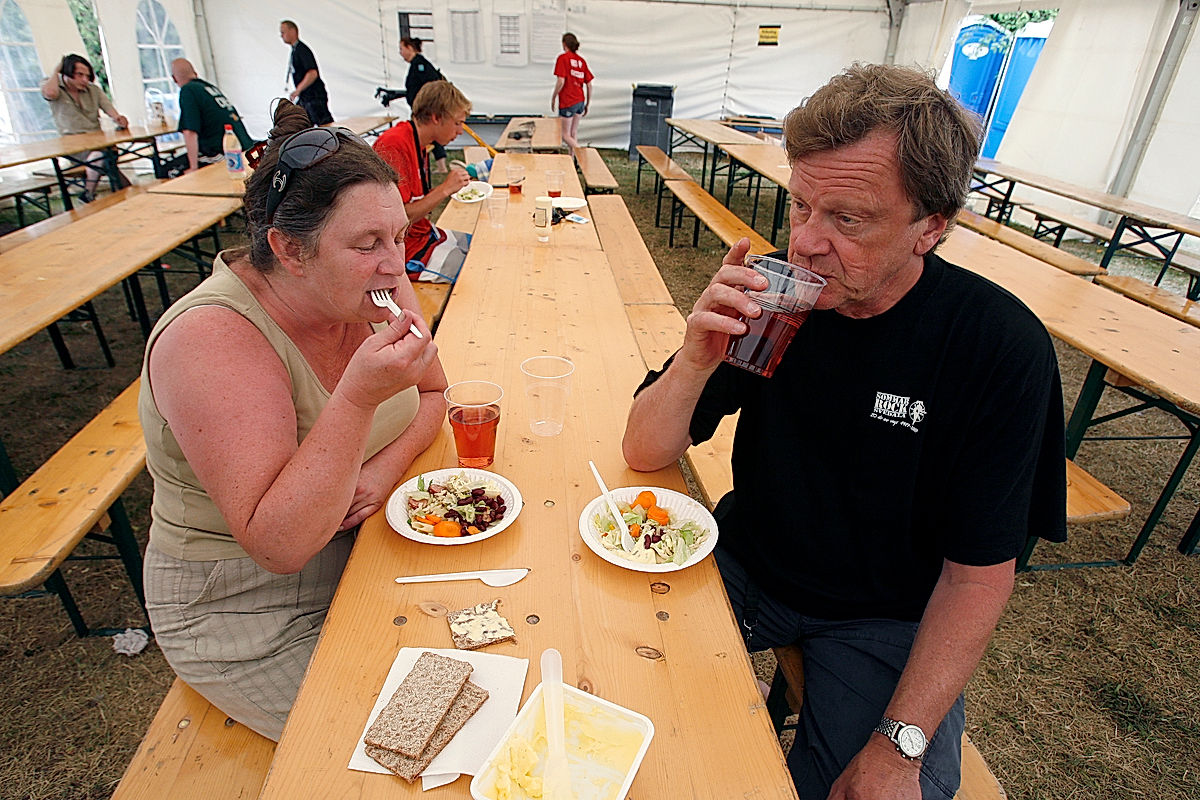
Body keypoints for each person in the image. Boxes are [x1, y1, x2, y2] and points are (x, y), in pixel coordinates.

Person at [622, 63, 1066, 800]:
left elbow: (978, 575)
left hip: (882, 616)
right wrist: (697, 359)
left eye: (847, 220)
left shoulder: (996, 347)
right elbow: (644, 451)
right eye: (801, 204)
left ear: (932, 227)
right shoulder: (775, 296)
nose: (805, 243)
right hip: (743, 563)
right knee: (611, 689)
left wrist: (901, 746)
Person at [139, 100, 445, 741]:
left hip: (365, 544)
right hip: (244, 605)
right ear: (289, 249)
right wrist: (356, 401)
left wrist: (380, 473)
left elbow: (436, 395)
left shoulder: (375, 284)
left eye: (398, 235)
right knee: (403, 743)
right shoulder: (211, 338)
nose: (397, 262)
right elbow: (277, 545)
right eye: (368, 243)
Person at [372, 80, 471, 284]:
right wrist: (445, 189)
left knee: (478, 245)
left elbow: (416, 201)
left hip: (424, 235)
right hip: (405, 252)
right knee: (474, 272)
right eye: (457, 123)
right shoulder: (394, 144)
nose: (461, 131)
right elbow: (399, 219)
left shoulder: (418, 142)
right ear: (436, 118)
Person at [39, 54, 130, 202]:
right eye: (79, 75)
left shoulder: (93, 90)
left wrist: (119, 119)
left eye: (87, 76)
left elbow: (110, 110)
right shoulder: (54, 85)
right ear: (66, 72)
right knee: (102, 157)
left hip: (98, 142)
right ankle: (92, 193)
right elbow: (50, 93)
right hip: (73, 146)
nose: (84, 80)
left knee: (106, 154)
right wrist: (56, 70)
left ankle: (93, 194)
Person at [165, 58, 253, 175]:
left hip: (224, 153)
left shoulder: (188, 91)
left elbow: (190, 132)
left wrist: (193, 168)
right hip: (245, 146)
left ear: (174, 79)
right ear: (195, 73)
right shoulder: (208, 88)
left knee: (169, 171)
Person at [399, 36, 448, 173]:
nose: (401, 53)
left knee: (427, 136)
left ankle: (435, 167)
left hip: (425, 109)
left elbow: (432, 84)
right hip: (420, 108)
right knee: (429, 136)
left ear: (409, 48)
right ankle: (435, 166)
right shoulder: (417, 64)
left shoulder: (420, 65)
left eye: (401, 49)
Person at [280, 20, 333, 125]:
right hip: (305, 97)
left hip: (314, 96)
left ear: (292, 31)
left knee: (325, 125)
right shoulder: (295, 50)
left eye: (283, 32)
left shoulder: (302, 50)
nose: (281, 36)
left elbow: (312, 73)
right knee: (298, 122)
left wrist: (298, 90)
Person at [550, 33, 593, 155]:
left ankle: (581, 154)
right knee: (573, 133)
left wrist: (554, 97)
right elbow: (589, 84)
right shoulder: (581, 61)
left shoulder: (563, 58)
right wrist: (587, 104)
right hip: (580, 100)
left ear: (564, 44)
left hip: (568, 101)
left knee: (565, 135)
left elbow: (561, 81)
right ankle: (572, 159)